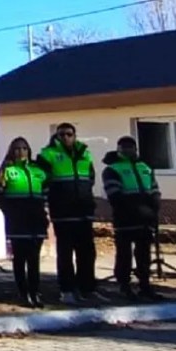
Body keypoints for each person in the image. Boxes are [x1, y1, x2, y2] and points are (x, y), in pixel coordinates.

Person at [37, 123, 103, 305]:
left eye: (69, 134)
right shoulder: (47, 155)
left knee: (87, 252)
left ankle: (87, 288)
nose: (66, 137)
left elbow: (90, 178)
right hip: (63, 211)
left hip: (83, 211)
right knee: (65, 253)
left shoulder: (85, 153)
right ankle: (67, 289)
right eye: (62, 135)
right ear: (56, 137)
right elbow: (43, 182)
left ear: (74, 135)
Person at [102, 136, 164, 301]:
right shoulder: (112, 169)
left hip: (146, 219)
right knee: (124, 254)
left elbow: (154, 189)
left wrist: (155, 206)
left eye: (131, 147)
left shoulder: (145, 167)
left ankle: (145, 285)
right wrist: (134, 207)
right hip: (125, 218)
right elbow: (114, 195)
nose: (128, 150)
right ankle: (124, 286)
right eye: (124, 147)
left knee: (144, 254)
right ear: (119, 149)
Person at [0, 137, 49, 309]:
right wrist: (10, 210)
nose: (20, 152)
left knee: (34, 259)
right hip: (17, 221)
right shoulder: (5, 171)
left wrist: (43, 211)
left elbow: (46, 193)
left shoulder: (38, 171)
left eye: (24, 148)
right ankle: (23, 293)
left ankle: (35, 292)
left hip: (36, 220)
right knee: (20, 258)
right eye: (16, 148)